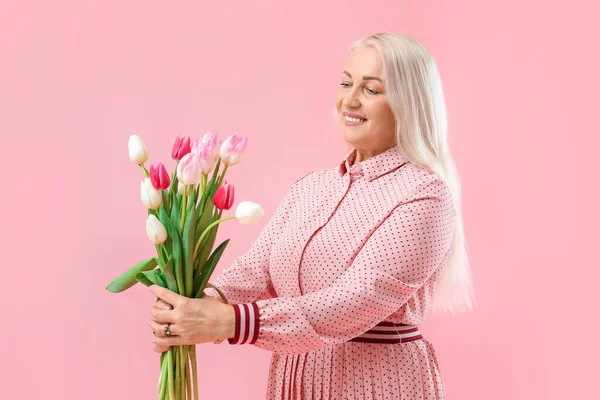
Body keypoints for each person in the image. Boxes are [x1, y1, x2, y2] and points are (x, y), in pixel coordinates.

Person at [148, 32, 475, 399]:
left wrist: (230, 322)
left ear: (409, 103)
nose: (349, 100)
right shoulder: (310, 187)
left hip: (375, 386)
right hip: (295, 380)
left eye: (371, 89)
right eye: (346, 83)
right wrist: (194, 305)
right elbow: (258, 269)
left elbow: (357, 300)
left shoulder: (424, 195)